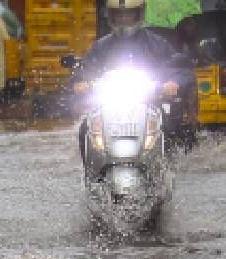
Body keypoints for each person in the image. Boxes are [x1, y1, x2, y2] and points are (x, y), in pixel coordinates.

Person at [71, 0, 196, 151]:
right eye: (119, 15)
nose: (124, 19)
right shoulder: (100, 46)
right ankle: (93, 173)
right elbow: (86, 69)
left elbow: (179, 67)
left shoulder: (156, 44)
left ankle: (166, 170)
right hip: (110, 108)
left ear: (139, 14)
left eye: (128, 15)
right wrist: (80, 82)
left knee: (169, 129)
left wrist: (174, 82)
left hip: (149, 104)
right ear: (110, 16)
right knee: (86, 129)